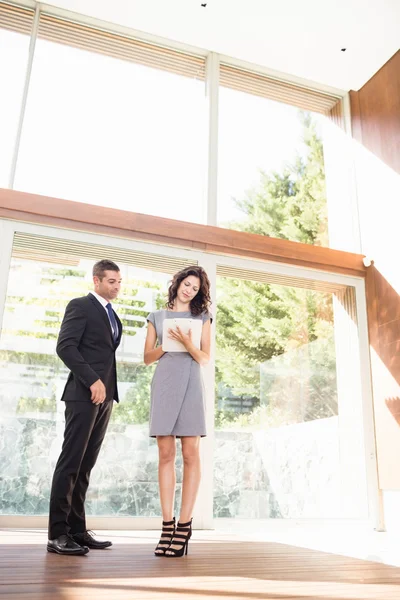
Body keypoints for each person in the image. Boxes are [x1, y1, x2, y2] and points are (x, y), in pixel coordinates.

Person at [47, 259, 123, 555]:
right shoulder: (80, 305)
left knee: (86, 465)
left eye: (119, 282)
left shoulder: (111, 314)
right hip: (83, 394)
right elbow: (65, 346)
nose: (117, 286)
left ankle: (77, 530)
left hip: (104, 398)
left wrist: (106, 389)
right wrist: (92, 380)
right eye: (112, 282)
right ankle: (57, 534)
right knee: (70, 463)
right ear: (97, 280)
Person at [144, 265, 212, 557]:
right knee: (166, 455)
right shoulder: (156, 317)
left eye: (195, 288)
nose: (189, 290)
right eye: (187, 284)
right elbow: (147, 358)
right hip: (164, 384)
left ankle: (185, 526)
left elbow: (205, 358)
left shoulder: (202, 318)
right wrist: (166, 344)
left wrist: (186, 342)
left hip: (191, 385)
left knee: (190, 454)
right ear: (177, 283)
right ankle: (167, 525)